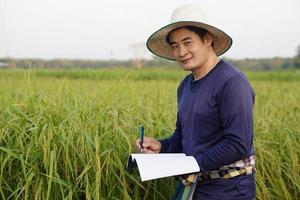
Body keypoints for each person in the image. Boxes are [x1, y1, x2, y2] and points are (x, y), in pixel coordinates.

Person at [136, 4, 256, 200]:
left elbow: (237, 144)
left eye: (187, 42)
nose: (181, 52)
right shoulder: (185, 86)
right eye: (175, 46)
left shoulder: (232, 82)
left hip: (229, 191)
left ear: (207, 39)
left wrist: (191, 165)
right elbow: (184, 137)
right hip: (192, 188)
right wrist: (162, 146)